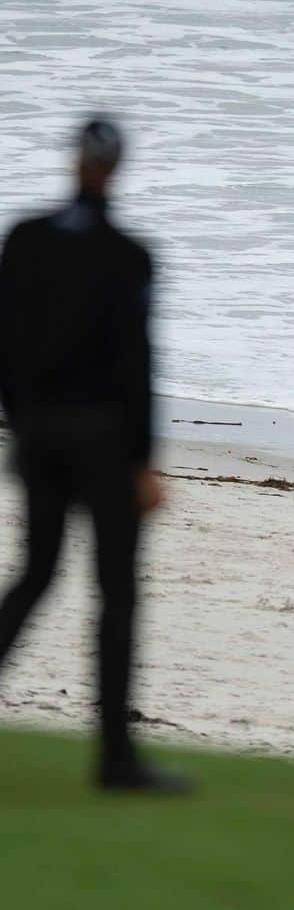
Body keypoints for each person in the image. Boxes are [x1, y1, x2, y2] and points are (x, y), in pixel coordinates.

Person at [0, 117, 190, 792]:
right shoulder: (129, 255)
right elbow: (137, 365)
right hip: (104, 443)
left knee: (37, 574)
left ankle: (116, 758)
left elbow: (6, 346)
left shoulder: (24, 240)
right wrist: (144, 460)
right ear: (118, 168)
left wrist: (19, 425)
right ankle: (115, 759)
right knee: (116, 594)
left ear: (74, 162)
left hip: (41, 435)